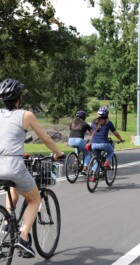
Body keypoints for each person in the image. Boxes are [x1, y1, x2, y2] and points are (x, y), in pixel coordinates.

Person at [0, 79, 64, 258]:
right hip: (13, 165)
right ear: (19, 98)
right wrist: (59, 153)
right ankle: (23, 236)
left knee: (14, 187)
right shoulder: (25, 115)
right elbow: (46, 139)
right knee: (35, 199)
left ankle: (6, 222)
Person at [90, 107, 124, 180]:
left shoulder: (93, 122)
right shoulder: (108, 123)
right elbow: (115, 133)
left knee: (97, 159)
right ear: (107, 115)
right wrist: (120, 139)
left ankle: (93, 176)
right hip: (104, 143)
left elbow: (92, 132)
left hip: (94, 144)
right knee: (111, 151)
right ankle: (107, 163)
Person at [68, 110, 92, 174]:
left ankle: (76, 160)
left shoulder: (72, 123)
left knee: (77, 148)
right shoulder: (85, 124)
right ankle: (84, 168)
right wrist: (91, 140)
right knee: (87, 154)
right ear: (84, 117)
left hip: (70, 140)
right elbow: (92, 133)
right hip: (79, 140)